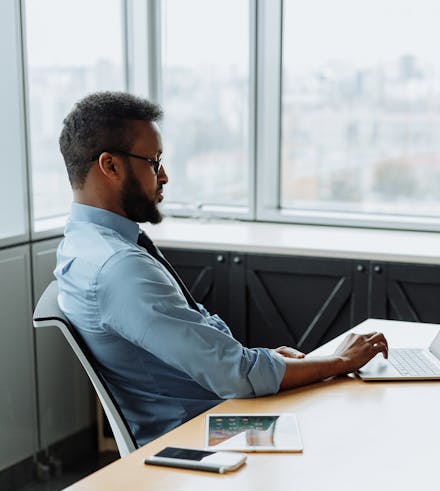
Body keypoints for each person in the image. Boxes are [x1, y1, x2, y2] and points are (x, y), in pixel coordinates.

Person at [56, 91, 388, 446]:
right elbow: (235, 376)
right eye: (153, 162)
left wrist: (266, 362)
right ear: (110, 166)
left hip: (215, 412)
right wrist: (338, 361)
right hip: (206, 433)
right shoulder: (120, 270)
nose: (164, 176)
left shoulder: (82, 243)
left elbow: (221, 362)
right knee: (350, 429)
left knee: (338, 412)